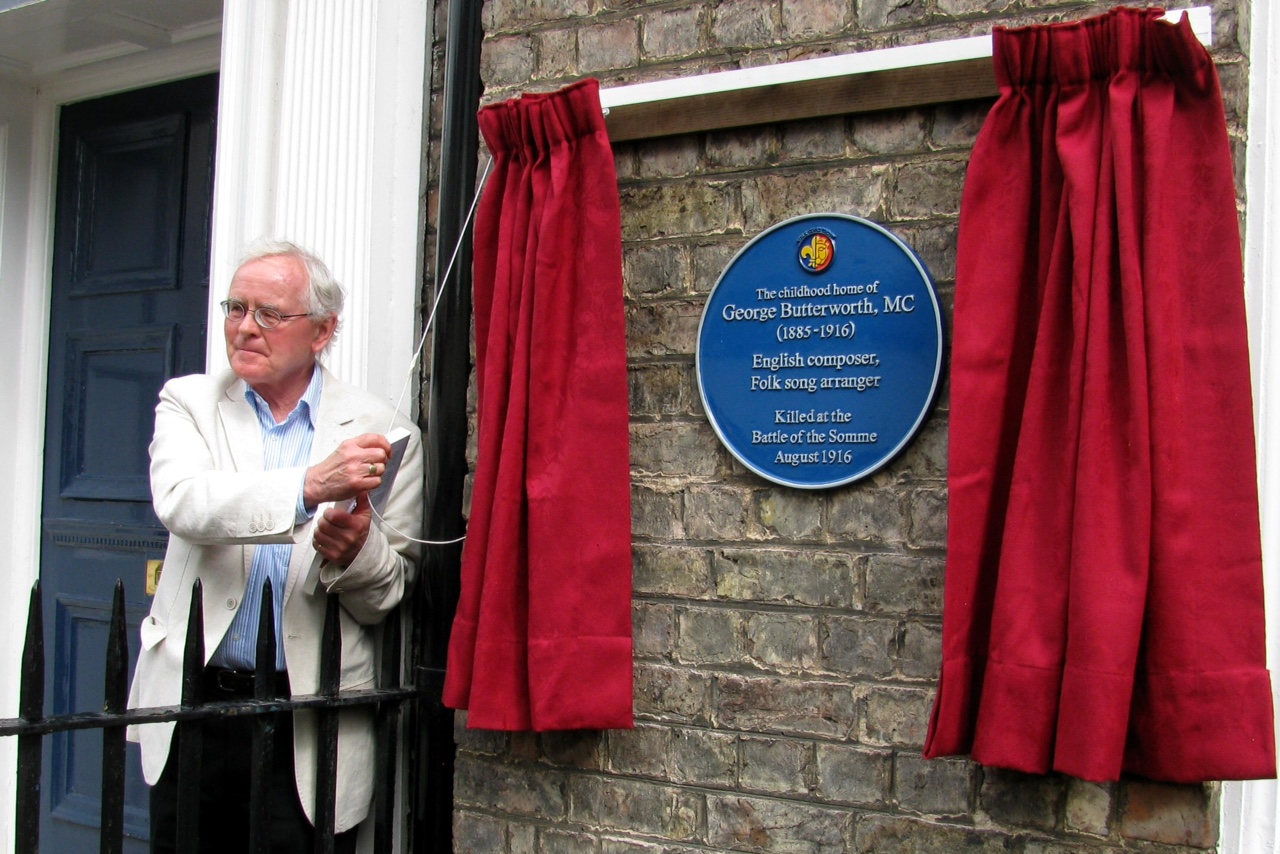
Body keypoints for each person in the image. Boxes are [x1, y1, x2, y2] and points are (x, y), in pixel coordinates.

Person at [127, 239, 423, 852]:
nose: (246, 328)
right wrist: (309, 486)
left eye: (271, 314)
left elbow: (389, 592)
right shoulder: (190, 403)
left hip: (309, 716)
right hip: (195, 705)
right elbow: (184, 501)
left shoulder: (383, 432)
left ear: (323, 331)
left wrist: (354, 553)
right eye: (236, 308)